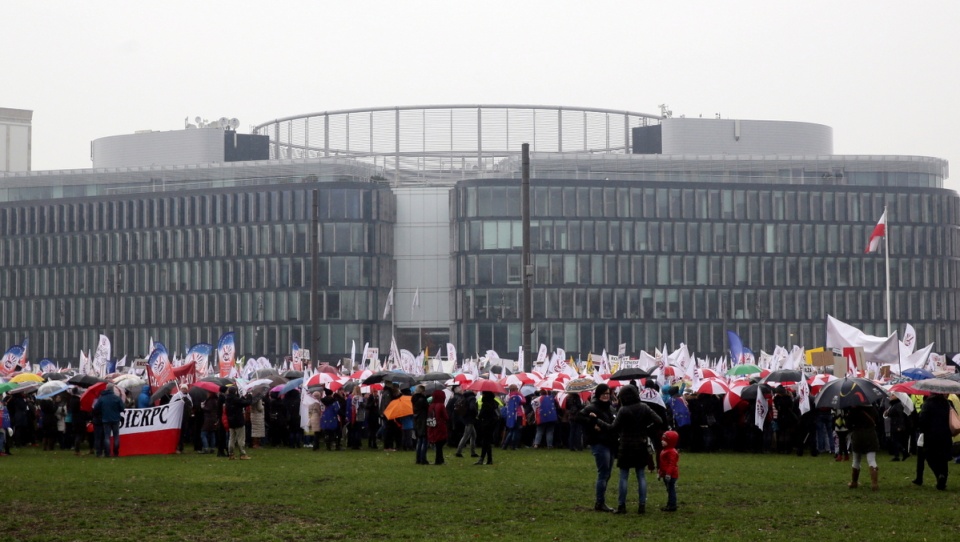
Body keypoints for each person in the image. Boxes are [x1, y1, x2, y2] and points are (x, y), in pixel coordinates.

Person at [604, 385, 663, 515]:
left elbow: (613, 427)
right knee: (641, 475)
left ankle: (622, 505)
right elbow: (659, 421)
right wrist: (647, 429)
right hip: (641, 443)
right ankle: (642, 505)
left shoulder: (623, 410)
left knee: (624, 476)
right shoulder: (644, 407)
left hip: (625, 444)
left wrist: (599, 422)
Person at [575, 383, 618, 512]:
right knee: (603, 473)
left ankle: (601, 501)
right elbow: (579, 417)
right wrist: (592, 424)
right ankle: (600, 502)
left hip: (610, 442)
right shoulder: (592, 407)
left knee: (607, 473)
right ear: (598, 394)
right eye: (603, 394)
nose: (605, 396)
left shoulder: (610, 408)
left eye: (607, 394)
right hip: (599, 442)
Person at [918, 392, 954, 490]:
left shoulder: (928, 403)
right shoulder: (948, 403)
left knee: (930, 457)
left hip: (931, 435)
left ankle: (939, 474)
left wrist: (922, 429)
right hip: (946, 434)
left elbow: (922, 419)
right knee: (943, 459)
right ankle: (942, 477)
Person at [844, 405, 880, 491]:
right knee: (871, 460)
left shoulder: (853, 410)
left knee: (856, 460)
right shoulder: (872, 408)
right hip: (871, 434)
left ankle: (854, 482)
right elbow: (878, 421)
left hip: (857, 435)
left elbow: (848, 424)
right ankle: (874, 484)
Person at [93, 385, 125, 458]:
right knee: (116, 436)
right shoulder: (117, 398)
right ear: (113, 390)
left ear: (106, 389)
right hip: (116, 419)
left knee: (107, 436)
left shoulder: (102, 398)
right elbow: (122, 408)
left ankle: (107, 453)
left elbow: (96, 408)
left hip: (106, 419)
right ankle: (116, 452)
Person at [224, 387, 253, 459]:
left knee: (231, 438)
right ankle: (242, 454)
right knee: (241, 438)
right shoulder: (236, 399)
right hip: (238, 420)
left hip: (231, 421)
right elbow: (246, 403)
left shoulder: (227, 399)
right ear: (235, 392)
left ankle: (231, 454)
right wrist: (249, 396)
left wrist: (242, 397)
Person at [883, 394, 911, 462]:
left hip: (897, 425)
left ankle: (904, 452)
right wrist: (888, 413)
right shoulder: (893, 405)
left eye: (893, 395)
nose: (891, 396)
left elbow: (900, 416)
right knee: (894, 440)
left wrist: (900, 426)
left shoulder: (898, 405)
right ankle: (897, 455)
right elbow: (893, 414)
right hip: (894, 424)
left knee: (896, 441)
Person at [475, 390, 500, 465]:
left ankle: (482, 458)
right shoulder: (495, 403)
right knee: (488, 441)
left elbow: (481, 415)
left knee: (485, 442)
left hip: (486, 424)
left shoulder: (485, 404)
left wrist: (478, 416)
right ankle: (489, 459)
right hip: (493, 424)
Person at [658, 430, 680, 512]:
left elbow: (671, 464)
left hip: (670, 475)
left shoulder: (671, 452)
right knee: (669, 489)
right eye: (662, 440)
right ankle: (670, 503)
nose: (662, 441)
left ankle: (672, 505)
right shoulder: (665, 450)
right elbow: (662, 464)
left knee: (671, 489)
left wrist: (668, 474)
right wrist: (660, 473)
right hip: (666, 474)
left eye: (664, 440)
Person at [427, 389, 449, 465]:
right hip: (440, 426)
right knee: (440, 443)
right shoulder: (441, 406)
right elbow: (446, 417)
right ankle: (438, 460)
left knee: (437, 443)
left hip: (432, 426)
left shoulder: (431, 406)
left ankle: (440, 459)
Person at [455, 389, 479, 458]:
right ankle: (458, 452)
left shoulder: (464, 397)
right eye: (476, 391)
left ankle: (473, 452)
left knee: (473, 435)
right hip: (470, 419)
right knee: (466, 435)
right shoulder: (472, 398)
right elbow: (472, 408)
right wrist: (476, 413)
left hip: (465, 418)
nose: (477, 392)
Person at [501, 385, 525, 450]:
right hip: (517, 414)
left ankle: (505, 445)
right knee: (516, 431)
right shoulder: (517, 396)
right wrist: (520, 394)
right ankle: (513, 445)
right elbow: (523, 401)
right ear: (515, 389)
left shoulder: (508, 396)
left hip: (510, 415)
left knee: (510, 431)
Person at [412, 385, 430, 465]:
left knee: (419, 440)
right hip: (423, 420)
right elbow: (427, 408)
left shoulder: (414, 399)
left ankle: (418, 458)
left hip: (417, 420)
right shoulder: (422, 400)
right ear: (422, 391)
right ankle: (423, 458)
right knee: (424, 440)